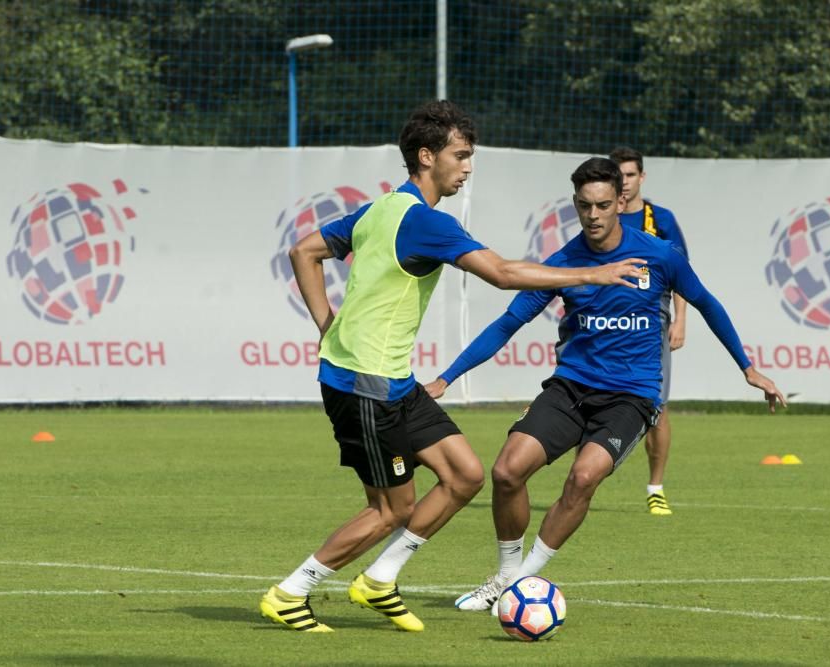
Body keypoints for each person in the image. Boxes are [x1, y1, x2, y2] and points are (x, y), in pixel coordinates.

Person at [259, 102, 647, 633]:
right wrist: (594, 274)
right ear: (426, 156)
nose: (467, 167)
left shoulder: (380, 210)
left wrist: (328, 326)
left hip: (393, 382)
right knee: (391, 509)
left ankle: (378, 580)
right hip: (363, 386)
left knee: (465, 473)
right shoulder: (424, 222)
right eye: (460, 155)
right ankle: (291, 591)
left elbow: (304, 251)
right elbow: (505, 274)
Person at [425, 157, 785, 612]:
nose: (593, 215)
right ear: (575, 205)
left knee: (583, 476)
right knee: (506, 471)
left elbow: (707, 303)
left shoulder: (659, 255)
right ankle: (505, 574)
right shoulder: (564, 263)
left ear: (621, 201)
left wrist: (747, 367)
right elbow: (507, 324)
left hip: (631, 397)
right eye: (583, 206)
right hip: (570, 387)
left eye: (601, 205)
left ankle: (518, 583)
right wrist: (446, 378)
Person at [609, 146, 687, 516]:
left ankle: (655, 487)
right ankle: (585, 479)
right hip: (606, 325)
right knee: (586, 398)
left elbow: (681, 273)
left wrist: (680, 319)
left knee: (656, 405)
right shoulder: (601, 217)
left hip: (649, 327)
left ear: (641, 177)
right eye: (617, 174)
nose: (623, 181)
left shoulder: (660, 220)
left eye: (629, 174)